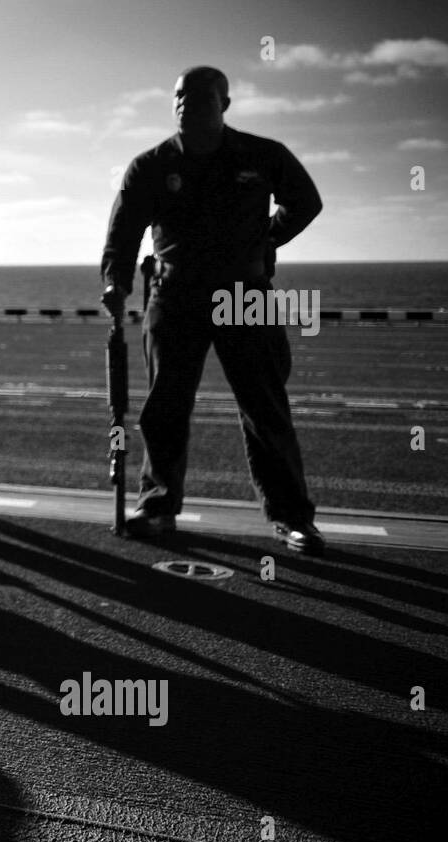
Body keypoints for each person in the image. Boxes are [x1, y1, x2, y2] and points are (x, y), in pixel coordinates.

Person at [100, 66, 326, 555]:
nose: (187, 103)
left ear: (224, 103)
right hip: (174, 295)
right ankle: (158, 508)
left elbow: (306, 202)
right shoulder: (151, 165)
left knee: (265, 408)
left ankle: (293, 519)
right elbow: (122, 234)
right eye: (180, 95)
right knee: (165, 407)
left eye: (201, 96)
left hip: (244, 294)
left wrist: (269, 237)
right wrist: (114, 281)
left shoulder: (263, 155)